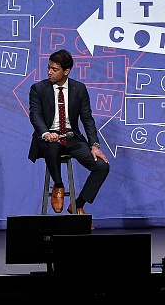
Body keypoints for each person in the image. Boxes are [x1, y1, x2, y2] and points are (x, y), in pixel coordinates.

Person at [28, 49, 109, 228]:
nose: (49, 72)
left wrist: (94, 144)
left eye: (54, 69)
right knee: (53, 147)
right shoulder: (38, 89)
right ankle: (58, 185)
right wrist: (46, 133)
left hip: (71, 138)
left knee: (102, 167)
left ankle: (78, 205)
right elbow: (35, 115)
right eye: (48, 67)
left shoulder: (79, 89)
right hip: (48, 138)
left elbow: (87, 118)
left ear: (66, 71)